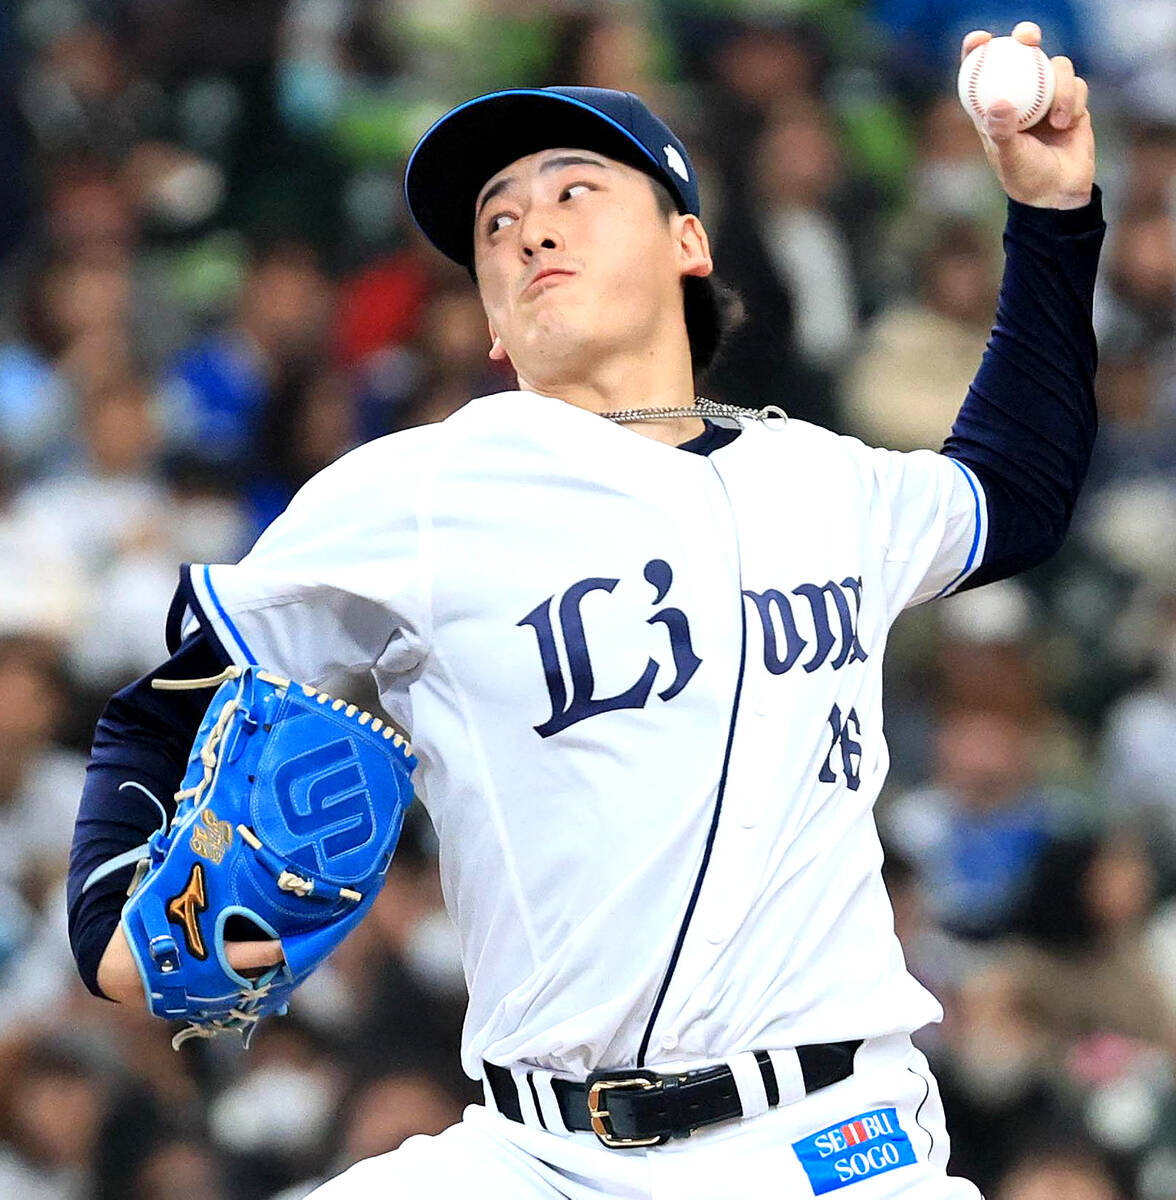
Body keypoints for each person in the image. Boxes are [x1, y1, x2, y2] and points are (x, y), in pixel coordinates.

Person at [68, 22, 1100, 1199]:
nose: (528, 227)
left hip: (835, 1145)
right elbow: (163, 705)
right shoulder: (423, 490)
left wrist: (1054, 216)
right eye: (495, 225)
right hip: (537, 1153)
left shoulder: (829, 480)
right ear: (495, 328)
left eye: (575, 190)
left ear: (689, 242)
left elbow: (1014, 492)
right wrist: (108, 927)